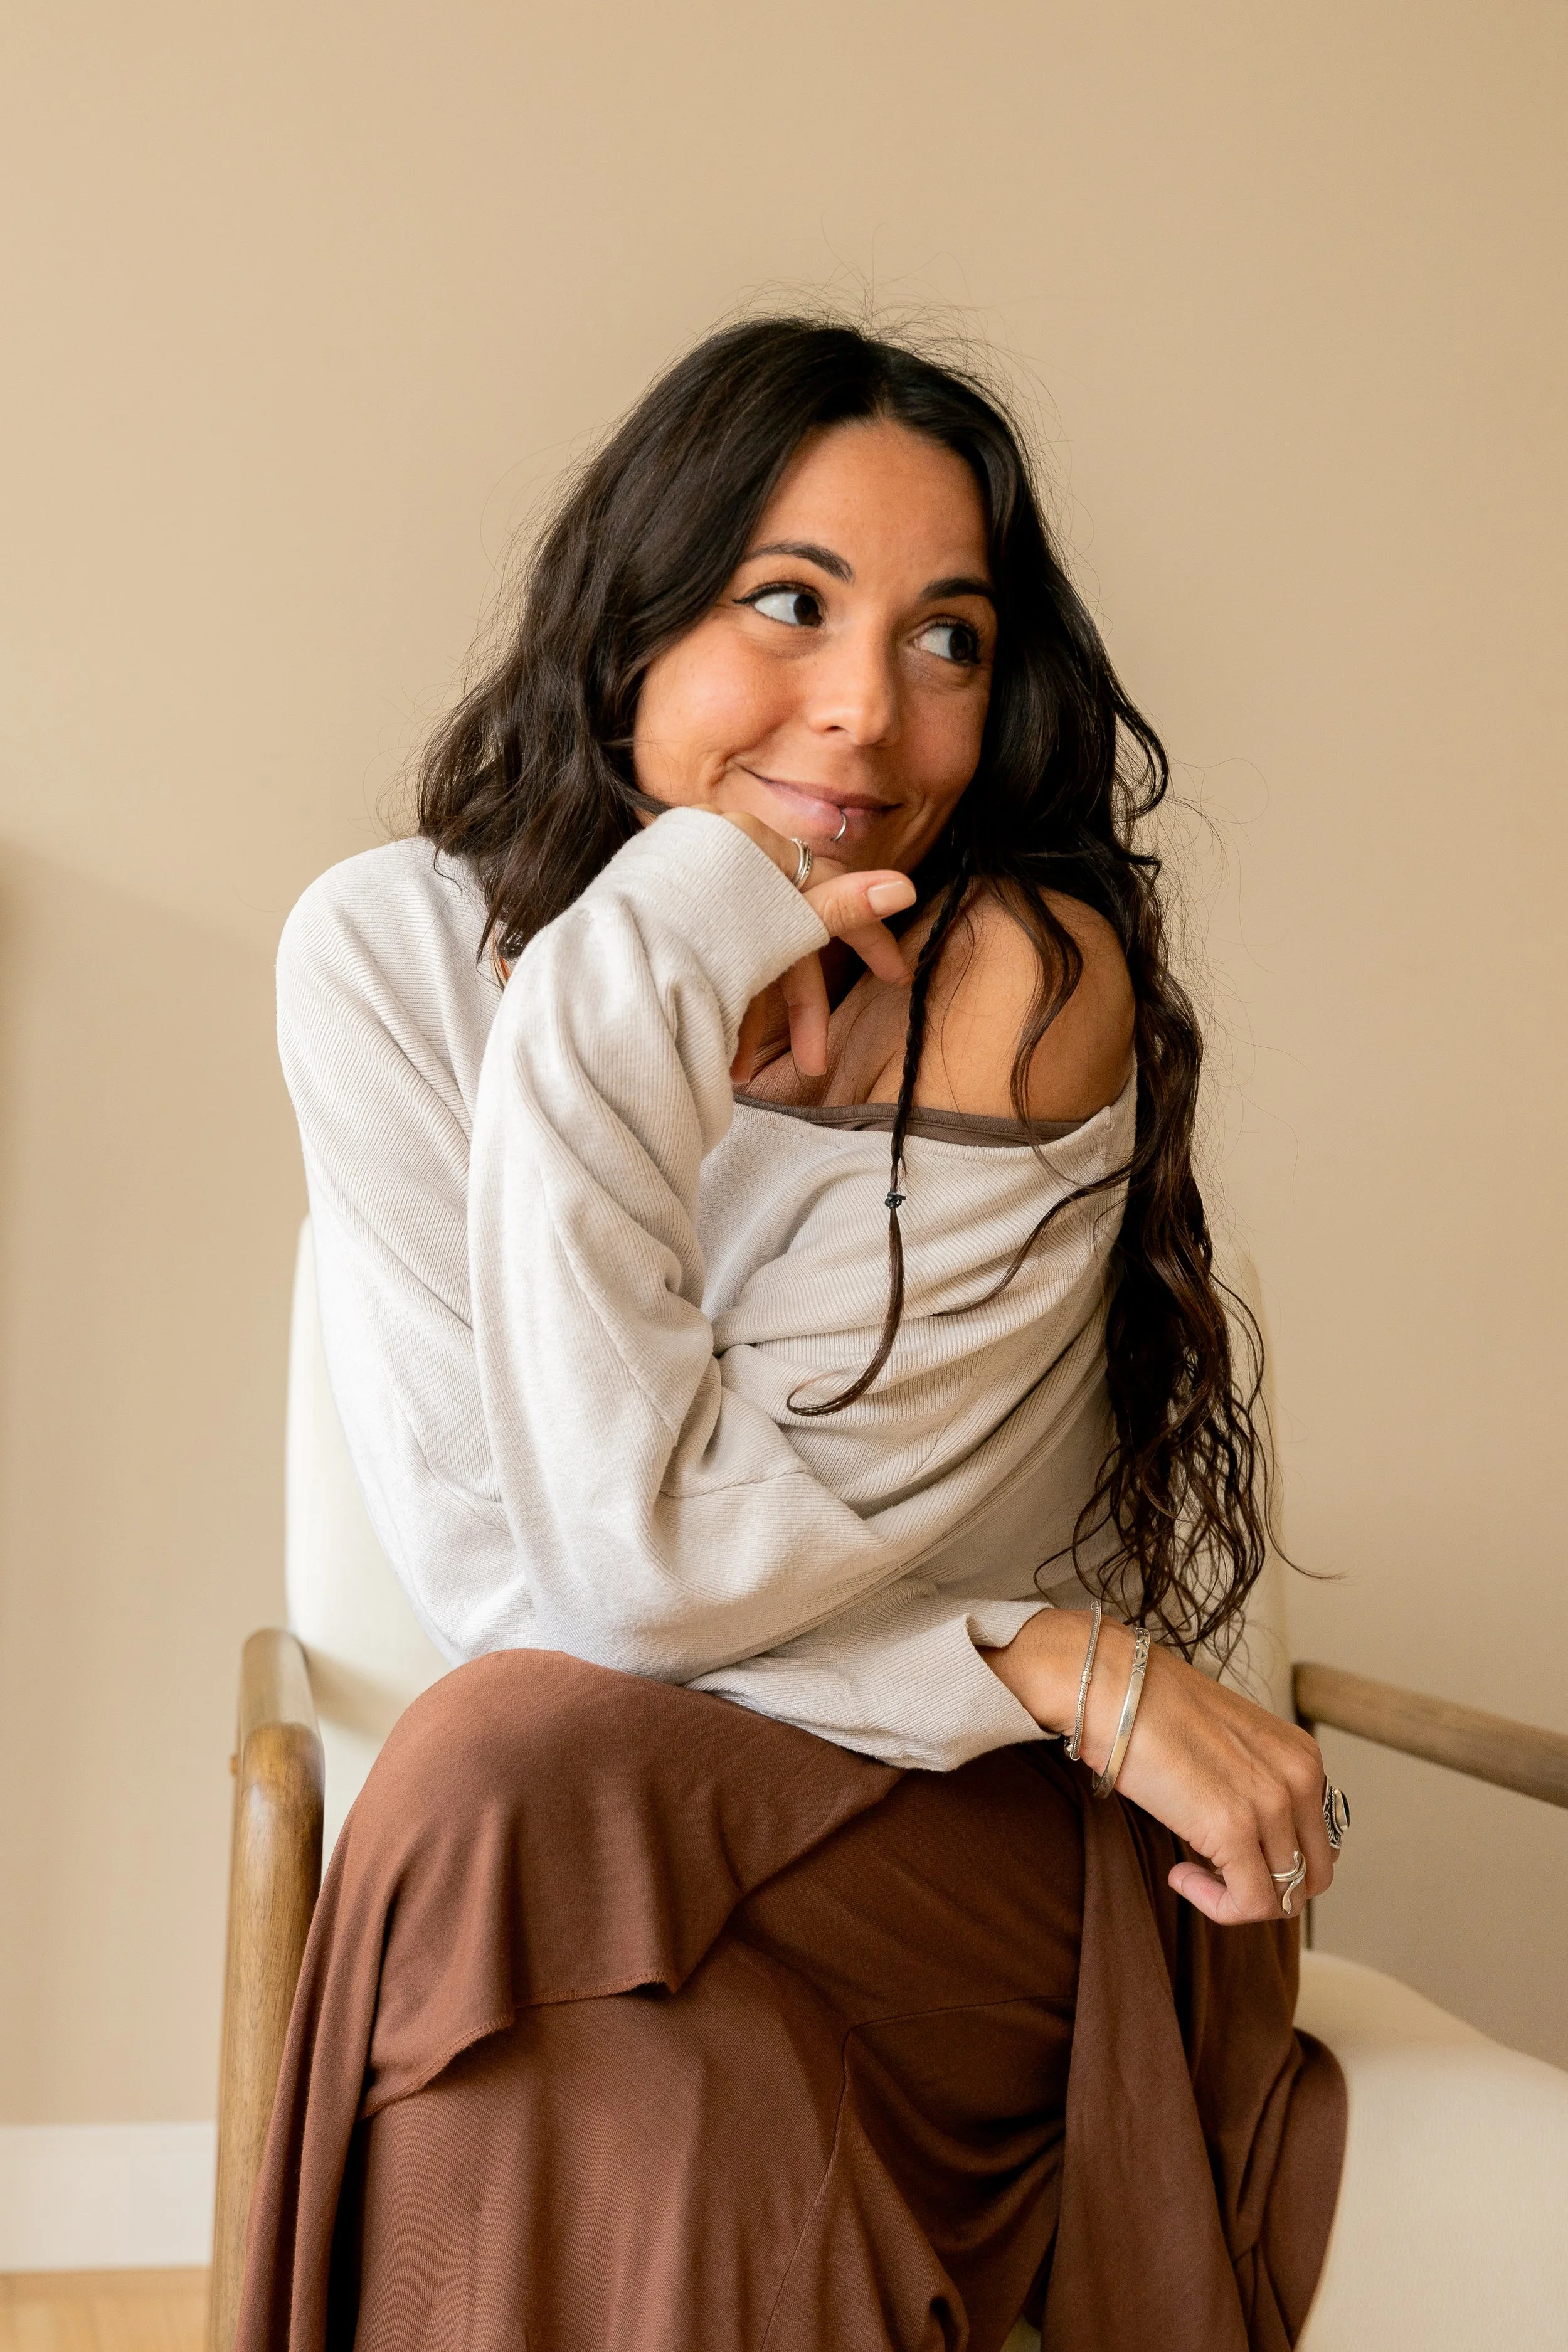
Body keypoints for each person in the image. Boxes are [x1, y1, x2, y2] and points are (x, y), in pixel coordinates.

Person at [245, 319, 1347, 2352]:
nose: (864, 711)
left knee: (490, 1765)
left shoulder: (1016, 973)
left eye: (947, 638)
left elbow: (634, 1585)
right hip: (608, 1838)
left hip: (977, 1875)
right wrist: (1029, 1652)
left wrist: (635, 958)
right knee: (630, 2088)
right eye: (788, 602)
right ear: (630, 618)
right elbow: (525, 1578)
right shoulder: (393, 958)